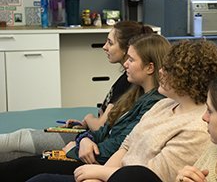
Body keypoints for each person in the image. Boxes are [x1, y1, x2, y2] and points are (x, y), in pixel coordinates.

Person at [27, 39, 217, 182]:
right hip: (110, 174)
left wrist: (100, 174)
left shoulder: (197, 127)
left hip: (124, 178)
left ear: (188, 78)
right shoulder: (164, 105)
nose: (161, 72)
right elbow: (126, 146)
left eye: (168, 69)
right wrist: (98, 174)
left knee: (38, 176)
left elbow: (153, 175)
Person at [0, 33, 170, 181]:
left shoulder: (152, 105)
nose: (125, 64)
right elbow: (104, 131)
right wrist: (84, 140)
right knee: (20, 162)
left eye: (131, 60)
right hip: (87, 151)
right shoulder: (134, 94)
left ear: (149, 68)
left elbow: (118, 146)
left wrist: (74, 149)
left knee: (24, 167)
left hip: (95, 161)